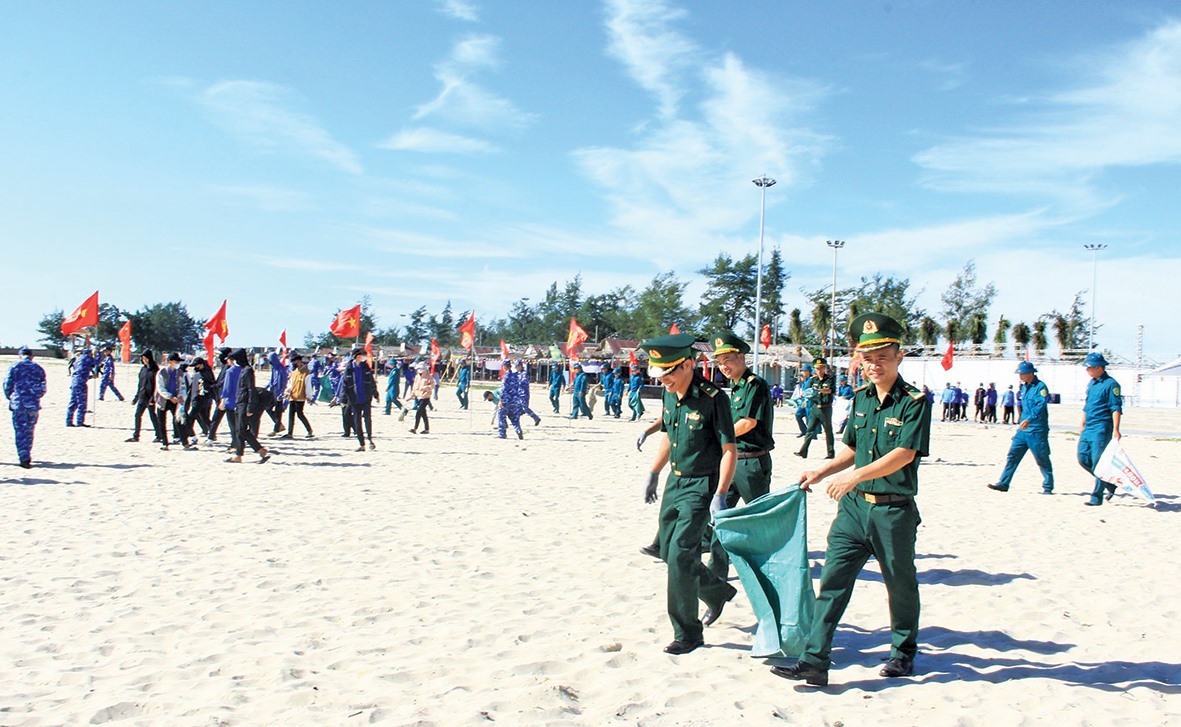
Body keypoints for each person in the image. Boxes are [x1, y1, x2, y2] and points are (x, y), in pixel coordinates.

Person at [772, 313, 931, 687]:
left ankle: (902, 653)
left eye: (882, 357)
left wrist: (854, 475)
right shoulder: (859, 400)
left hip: (893, 511)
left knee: (901, 585)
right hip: (854, 509)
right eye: (867, 358)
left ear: (899, 356)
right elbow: (850, 450)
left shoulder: (913, 402)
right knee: (832, 582)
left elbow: (905, 453)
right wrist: (821, 472)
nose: (873, 365)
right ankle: (814, 660)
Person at [639, 332, 738, 656]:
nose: (663, 379)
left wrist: (720, 494)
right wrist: (654, 472)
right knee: (669, 554)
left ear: (688, 364)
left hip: (701, 486)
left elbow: (728, 449)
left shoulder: (713, 398)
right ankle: (717, 592)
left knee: (682, 555)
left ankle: (687, 632)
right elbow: (668, 435)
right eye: (659, 373)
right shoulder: (669, 395)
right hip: (674, 483)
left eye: (668, 372)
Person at [705, 332, 775, 587]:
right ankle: (717, 570)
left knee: (758, 519)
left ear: (742, 358)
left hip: (752, 463)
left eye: (729, 360)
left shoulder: (754, 385)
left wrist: (721, 436)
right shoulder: (733, 389)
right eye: (720, 362)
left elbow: (748, 422)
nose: (724, 366)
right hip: (732, 461)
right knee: (721, 516)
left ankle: (767, 567)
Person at [987, 362, 1054, 494]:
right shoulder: (1024, 388)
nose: (1020, 376)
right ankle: (1004, 483)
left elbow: (1040, 406)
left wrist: (1030, 419)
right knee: (1013, 456)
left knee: (1042, 458)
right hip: (1023, 431)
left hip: (1036, 430)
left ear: (1030, 373)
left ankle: (1048, 486)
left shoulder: (1041, 387)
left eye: (1022, 374)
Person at [1078, 352, 1122, 506]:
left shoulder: (1111, 384)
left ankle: (1096, 497)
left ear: (1099, 368)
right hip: (1088, 427)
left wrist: (1116, 429)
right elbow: (1088, 404)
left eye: (1089, 367)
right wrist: (1082, 421)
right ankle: (1110, 483)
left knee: (1099, 462)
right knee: (1082, 458)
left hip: (1101, 428)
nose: (1087, 370)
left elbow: (1115, 407)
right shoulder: (1092, 383)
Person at [4, 346, 47, 468]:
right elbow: (43, 388)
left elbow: (7, 385)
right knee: (29, 431)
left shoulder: (14, 366)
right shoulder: (38, 368)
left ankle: (24, 458)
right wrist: (35, 396)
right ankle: (27, 454)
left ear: (20, 355)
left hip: (19, 404)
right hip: (33, 404)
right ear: (32, 356)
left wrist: (11, 398)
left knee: (20, 431)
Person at [226, 348, 269, 464]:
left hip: (245, 403)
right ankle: (240, 454)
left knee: (241, 429)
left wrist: (250, 406)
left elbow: (251, 389)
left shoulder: (248, 370)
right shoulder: (243, 370)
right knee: (240, 430)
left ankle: (260, 450)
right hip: (240, 402)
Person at [796, 357, 836, 460]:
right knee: (809, 430)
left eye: (821, 368)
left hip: (825, 409)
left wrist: (819, 390)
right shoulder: (813, 380)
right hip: (815, 408)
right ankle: (803, 452)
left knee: (828, 431)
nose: (819, 370)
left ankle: (830, 453)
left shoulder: (830, 379)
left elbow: (830, 390)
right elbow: (807, 391)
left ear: (825, 368)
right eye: (817, 368)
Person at [343, 348, 379, 449]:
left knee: (367, 419)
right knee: (357, 421)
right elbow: (344, 384)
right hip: (354, 399)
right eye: (361, 355)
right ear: (356, 356)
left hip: (366, 397)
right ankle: (361, 444)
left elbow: (371, 381)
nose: (363, 357)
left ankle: (370, 440)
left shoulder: (365, 367)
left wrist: (375, 393)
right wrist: (343, 398)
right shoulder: (349, 368)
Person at [126, 350, 160, 443]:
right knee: (137, 415)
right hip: (142, 396)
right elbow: (140, 385)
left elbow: (157, 386)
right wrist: (136, 397)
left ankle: (159, 435)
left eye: (145, 358)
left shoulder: (155, 370)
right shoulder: (143, 370)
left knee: (152, 416)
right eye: (142, 358)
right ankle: (136, 436)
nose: (143, 360)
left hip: (150, 397)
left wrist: (153, 398)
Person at [154, 352, 184, 449]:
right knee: (162, 422)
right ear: (170, 362)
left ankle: (184, 441)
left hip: (175, 400)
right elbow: (160, 388)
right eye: (176, 361)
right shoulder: (161, 372)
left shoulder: (179, 372)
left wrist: (180, 396)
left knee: (179, 420)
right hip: (163, 400)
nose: (177, 363)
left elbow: (182, 386)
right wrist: (170, 397)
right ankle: (164, 443)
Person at [282, 353, 314, 438]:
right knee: (291, 415)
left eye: (296, 361)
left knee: (300, 414)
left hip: (300, 397)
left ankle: (309, 430)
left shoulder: (306, 373)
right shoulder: (294, 373)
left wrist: (309, 396)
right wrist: (287, 392)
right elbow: (290, 384)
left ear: (300, 361)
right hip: (292, 396)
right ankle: (290, 432)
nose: (295, 363)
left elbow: (308, 385)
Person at [66, 346, 98, 427]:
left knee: (73, 402)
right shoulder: (88, 358)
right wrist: (97, 354)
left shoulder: (78, 359)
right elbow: (96, 363)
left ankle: (68, 421)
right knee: (82, 403)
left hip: (74, 381)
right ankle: (79, 422)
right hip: (81, 382)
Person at [497, 360, 525, 440]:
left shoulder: (506, 376)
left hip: (506, 400)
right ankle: (518, 430)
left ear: (505, 366)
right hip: (515, 400)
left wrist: (501, 400)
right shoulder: (516, 376)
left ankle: (502, 433)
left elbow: (504, 390)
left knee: (501, 416)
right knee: (514, 418)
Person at [265, 350, 288, 436]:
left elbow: (284, 381)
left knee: (278, 411)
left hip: (279, 392)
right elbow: (272, 380)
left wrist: (282, 392)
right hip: (272, 391)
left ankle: (276, 428)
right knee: (268, 408)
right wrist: (266, 387)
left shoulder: (281, 368)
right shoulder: (274, 368)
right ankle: (279, 425)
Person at [513, 360, 542, 425]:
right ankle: (515, 420)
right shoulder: (516, 374)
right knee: (517, 408)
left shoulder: (524, 374)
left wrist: (517, 382)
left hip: (524, 394)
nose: (516, 368)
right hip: (518, 394)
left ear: (520, 366)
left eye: (517, 367)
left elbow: (524, 382)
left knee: (524, 408)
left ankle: (536, 418)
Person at [408, 361, 433, 435]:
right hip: (418, 396)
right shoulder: (417, 377)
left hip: (425, 397)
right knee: (423, 413)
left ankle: (415, 428)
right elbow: (415, 387)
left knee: (418, 412)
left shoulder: (429, 377)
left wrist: (427, 388)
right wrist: (412, 395)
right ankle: (427, 429)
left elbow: (432, 385)